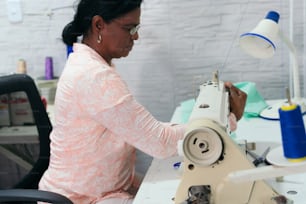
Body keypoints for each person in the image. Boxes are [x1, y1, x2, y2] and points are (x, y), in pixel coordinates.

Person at [38, 0, 247, 203]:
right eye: (129, 28)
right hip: (79, 199)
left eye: (136, 27)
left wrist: (212, 122)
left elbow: (147, 132)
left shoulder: (89, 64)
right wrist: (226, 120)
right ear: (99, 24)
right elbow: (160, 142)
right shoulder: (93, 76)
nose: (136, 36)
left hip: (101, 189)